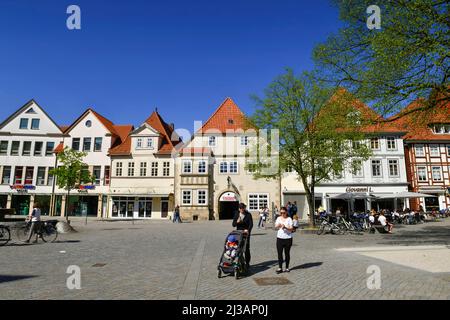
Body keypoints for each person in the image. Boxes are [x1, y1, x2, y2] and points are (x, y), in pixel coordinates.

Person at [232, 203, 253, 268]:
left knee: (246, 248)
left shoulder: (248, 214)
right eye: (241, 208)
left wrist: (248, 230)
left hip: (246, 233)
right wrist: (237, 222)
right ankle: (239, 261)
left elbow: (251, 224)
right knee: (238, 247)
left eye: (243, 208)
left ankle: (247, 262)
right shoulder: (236, 214)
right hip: (239, 233)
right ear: (239, 209)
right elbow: (233, 224)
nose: (242, 210)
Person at [275, 207, 294, 273]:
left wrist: (285, 227)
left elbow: (291, 229)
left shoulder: (289, 219)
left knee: (287, 253)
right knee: (279, 253)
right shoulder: (278, 218)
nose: (282, 214)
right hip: (279, 238)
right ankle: (280, 267)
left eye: (284, 213)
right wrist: (278, 225)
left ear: (286, 212)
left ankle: (287, 267)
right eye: (281, 213)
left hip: (288, 239)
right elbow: (276, 227)